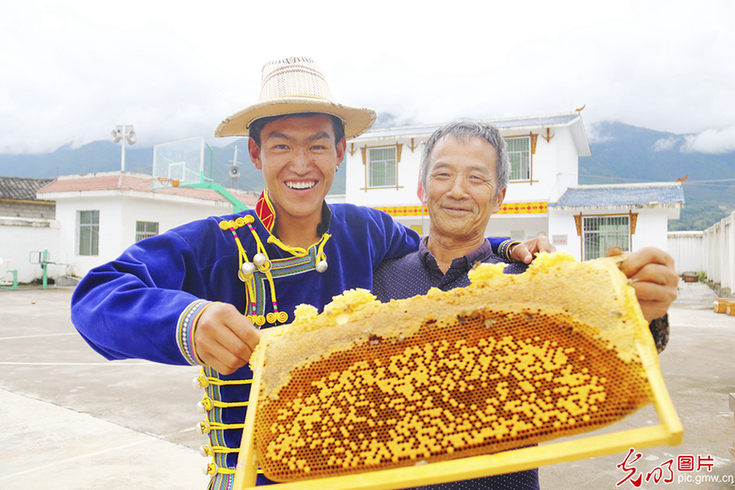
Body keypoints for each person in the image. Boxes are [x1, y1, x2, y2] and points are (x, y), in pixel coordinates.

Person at [70, 57, 544, 489]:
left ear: (339, 151)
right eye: (281, 146)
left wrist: (509, 248)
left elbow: (443, 246)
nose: (301, 164)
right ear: (256, 154)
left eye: (317, 146)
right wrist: (188, 320)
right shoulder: (215, 243)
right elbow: (96, 295)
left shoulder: (365, 230)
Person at [373, 120, 679, 489]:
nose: (457, 190)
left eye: (476, 178)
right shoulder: (378, 281)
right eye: (443, 174)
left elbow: (606, 354)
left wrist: (645, 309)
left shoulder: (533, 281)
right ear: (422, 188)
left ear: (499, 195)